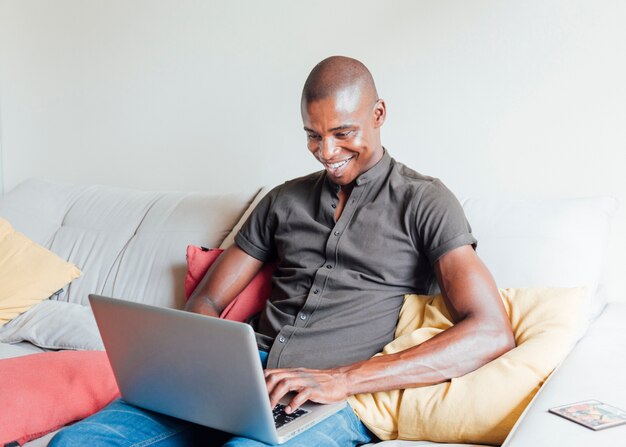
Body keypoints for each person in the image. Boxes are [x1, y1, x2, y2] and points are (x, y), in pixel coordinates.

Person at [50, 56, 515, 447]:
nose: (326, 151)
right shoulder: (283, 200)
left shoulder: (425, 201)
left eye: (342, 132)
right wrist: (198, 368)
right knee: (74, 442)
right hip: (240, 376)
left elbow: (491, 332)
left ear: (378, 115)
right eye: (313, 134)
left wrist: (344, 379)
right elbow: (207, 301)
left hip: (329, 396)